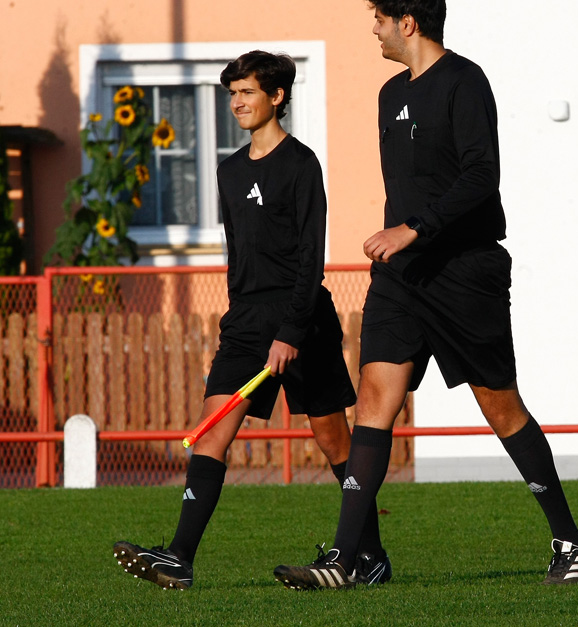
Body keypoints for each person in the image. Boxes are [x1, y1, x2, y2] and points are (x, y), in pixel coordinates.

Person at [272, 0, 578, 590]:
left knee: (499, 405)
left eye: (378, 19)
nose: (373, 29)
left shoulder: (465, 82)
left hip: (463, 269)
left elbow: (481, 177)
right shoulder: (389, 93)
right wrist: (401, 242)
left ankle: (570, 539)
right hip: (401, 276)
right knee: (374, 400)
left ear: (408, 21)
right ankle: (353, 558)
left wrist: (412, 228)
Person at [113, 50, 388, 590]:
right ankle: (179, 557)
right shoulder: (229, 169)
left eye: (247, 93)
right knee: (213, 430)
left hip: (302, 318)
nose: (237, 102)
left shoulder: (301, 164)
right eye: (232, 93)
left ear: (277, 96)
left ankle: (369, 556)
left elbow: (313, 257)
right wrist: (238, 317)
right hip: (245, 324)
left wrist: (290, 332)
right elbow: (236, 252)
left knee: (334, 441)